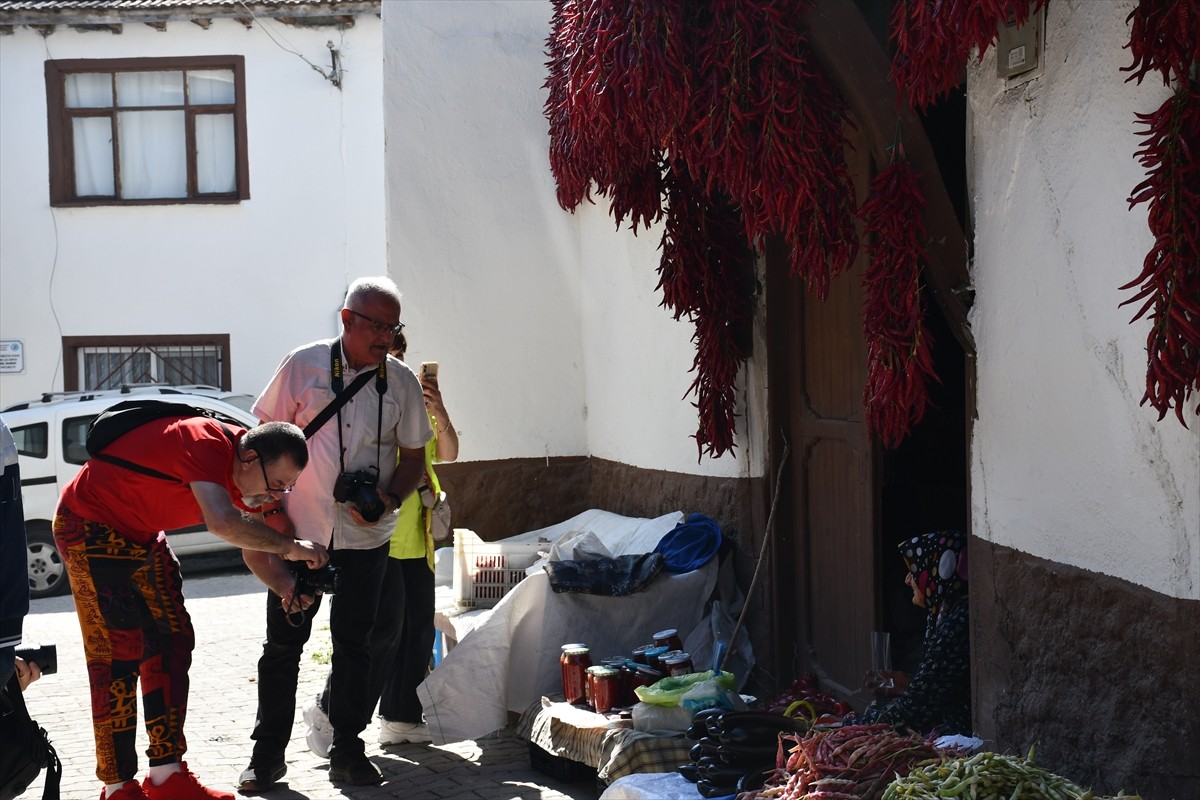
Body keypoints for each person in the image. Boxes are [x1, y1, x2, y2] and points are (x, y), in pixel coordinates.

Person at [51, 414, 325, 800]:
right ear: (248, 458)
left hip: (142, 533)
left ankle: (166, 776)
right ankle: (117, 787)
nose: (276, 496)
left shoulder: (248, 475)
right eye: (276, 484)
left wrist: (285, 585)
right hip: (88, 523)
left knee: (173, 639)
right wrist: (294, 548)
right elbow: (224, 523)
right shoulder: (205, 440)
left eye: (287, 488)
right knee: (117, 655)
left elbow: (254, 547)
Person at [239, 276, 432, 790]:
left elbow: (414, 457)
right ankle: (266, 756)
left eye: (394, 328)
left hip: (367, 539)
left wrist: (389, 500)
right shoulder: (302, 365)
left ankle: (348, 748)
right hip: (298, 537)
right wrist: (269, 518)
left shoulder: (403, 382)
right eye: (376, 326)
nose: (386, 338)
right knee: (282, 646)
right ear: (346, 320)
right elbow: (259, 443)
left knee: (356, 646)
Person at [304, 331, 458, 755]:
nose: (395, 362)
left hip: (416, 534)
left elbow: (448, 452)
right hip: (372, 534)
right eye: (389, 353)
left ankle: (401, 716)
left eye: (401, 354)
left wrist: (438, 409)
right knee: (374, 633)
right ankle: (329, 711)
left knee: (415, 631)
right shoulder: (362, 405)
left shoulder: (409, 397)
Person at [856, 530, 971, 736]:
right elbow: (935, 689)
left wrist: (850, 725)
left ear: (936, 572)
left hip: (957, 735)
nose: (908, 580)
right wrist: (909, 684)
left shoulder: (957, 625)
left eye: (915, 571)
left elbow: (912, 712)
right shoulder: (940, 612)